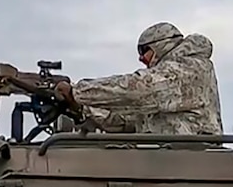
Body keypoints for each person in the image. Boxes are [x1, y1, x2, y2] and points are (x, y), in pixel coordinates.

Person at [53, 22, 224, 135]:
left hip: (193, 161)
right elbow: (126, 121)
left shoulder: (189, 68)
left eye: (144, 50)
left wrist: (77, 91)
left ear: (161, 44)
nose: (141, 59)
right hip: (166, 161)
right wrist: (82, 108)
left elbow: (138, 89)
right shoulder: (159, 97)